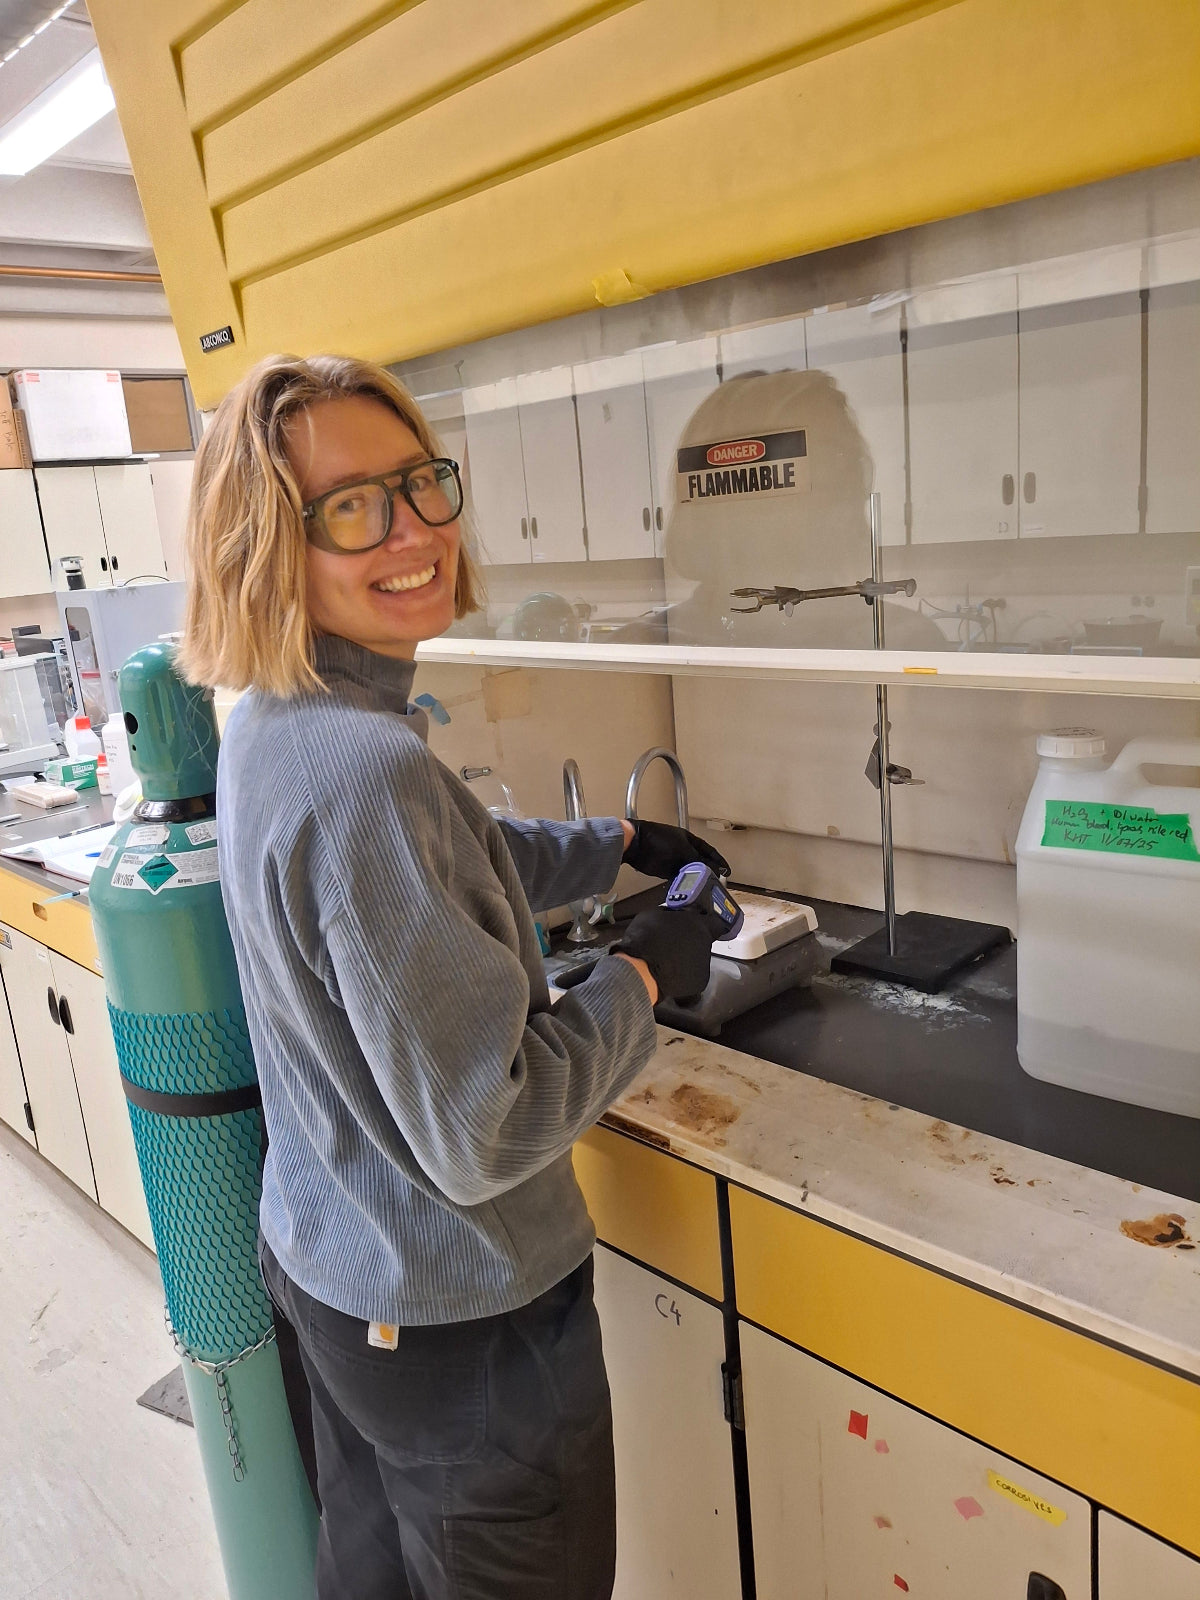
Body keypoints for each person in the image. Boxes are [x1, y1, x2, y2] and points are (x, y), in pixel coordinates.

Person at [178, 353, 731, 1600]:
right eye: (352, 507)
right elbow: (491, 1124)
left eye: (421, 482)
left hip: (338, 1279)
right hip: (462, 1325)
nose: (417, 528)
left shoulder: (281, 716)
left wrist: (619, 847)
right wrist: (643, 976)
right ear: (270, 543)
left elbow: (443, 866)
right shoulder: (365, 769)